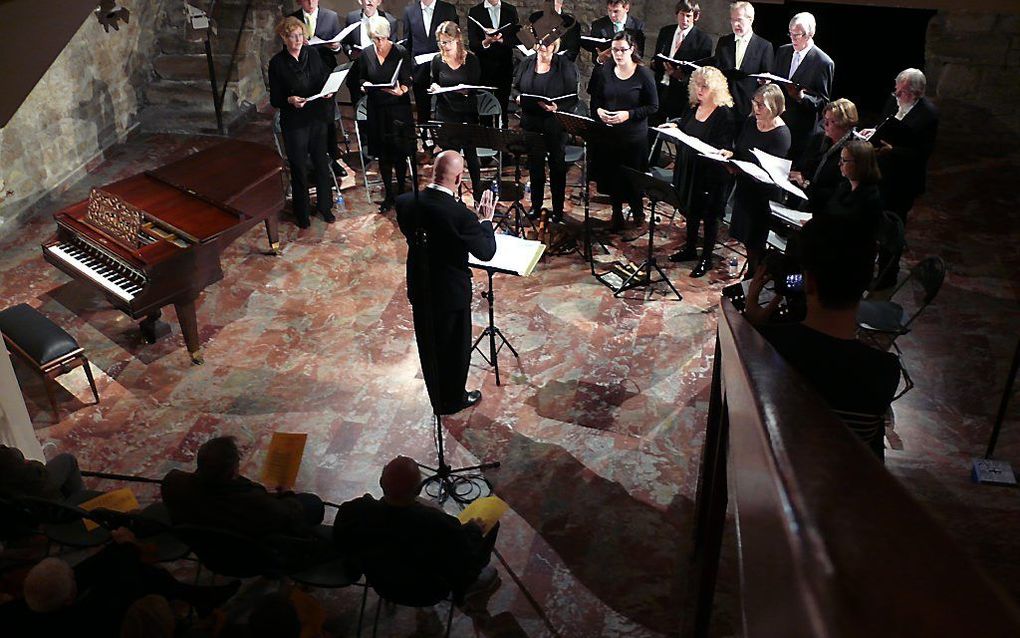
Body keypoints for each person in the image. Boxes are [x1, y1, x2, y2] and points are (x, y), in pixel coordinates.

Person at [742, 216, 901, 460]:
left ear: (809, 281)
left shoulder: (765, 347)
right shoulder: (884, 371)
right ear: (867, 281)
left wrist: (752, 325)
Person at [395, 151, 497, 415]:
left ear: (432, 171)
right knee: (454, 350)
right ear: (460, 177)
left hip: (420, 285)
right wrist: (485, 222)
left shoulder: (405, 202)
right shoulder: (459, 215)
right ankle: (452, 401)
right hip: (450, 292)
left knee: (429, 347)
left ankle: (437, 399)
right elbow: (485, 252)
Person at [333, 456, 500, 604]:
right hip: (429, 593)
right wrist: (474, 530)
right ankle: (475, 584)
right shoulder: (438, 524)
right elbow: (461, 558)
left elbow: (341, 544)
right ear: (419, 489)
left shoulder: (355, 511)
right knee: (490, 526)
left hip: (381, 584)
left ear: (381, 483)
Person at [161, 435, 325, 538]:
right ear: (233, 469)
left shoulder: (173, 482)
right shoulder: (255, 502)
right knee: (312, 503)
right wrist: (287, 494)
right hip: (251, 551)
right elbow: (287, 514)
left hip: (207, 544)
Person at [870, 68, 939, 288]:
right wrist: (872, 133)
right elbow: (883, 126)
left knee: (891, 229)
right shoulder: (893, 102)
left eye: (902, 93)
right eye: (896, 91)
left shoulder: (928, 114)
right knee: (873, 223)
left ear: (916, 94)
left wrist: (893, 150)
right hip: (880, 173)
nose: (897, 96)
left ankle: (887, 276)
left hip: (902, 182)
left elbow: (922, 153)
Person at [664, 66, 735, 278]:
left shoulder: (724, 114)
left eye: (705, 86)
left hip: (711, 173)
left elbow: (723, 146)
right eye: (697, 84)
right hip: (690, 168)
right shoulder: (693, 106)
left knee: (710, 217)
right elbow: (685, 129)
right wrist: (674, 129)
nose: (700, 89)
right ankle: (690, 248)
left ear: (716, 88)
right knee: (691, 210)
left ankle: (706, 257)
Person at [268, 16, 336, 229]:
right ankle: (302, 212)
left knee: (321, 164)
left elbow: (325, 78)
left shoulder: (313, 54)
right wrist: (289, 100)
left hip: (316, 117)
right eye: (293, 36)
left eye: (300, 35)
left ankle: (325, 207)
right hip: (295, 121)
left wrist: (328, 92)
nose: (298, 40)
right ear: (284, 38)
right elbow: (275, 99)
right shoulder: (277, 63)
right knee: (298, 167)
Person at [589, 31, 658, 231]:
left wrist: (628, 114)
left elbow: (653, 106)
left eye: (622, 50)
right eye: (614, 50)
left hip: (633, 137)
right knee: (612, 177)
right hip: (609, 134)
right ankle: (616, 214)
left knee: (632, 180)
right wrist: (599, 110)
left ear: (632, 49)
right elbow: (597, 98)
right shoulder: (607, 69)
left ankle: (638, 217)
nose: (618, 54)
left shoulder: (643, 74)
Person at [724, 83, 790, 274]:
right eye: (755, 102)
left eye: (762, 105)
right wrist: (730, 156)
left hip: (763, 196)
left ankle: (755, 277)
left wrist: (741, 169)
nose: (756, 108)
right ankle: (752, 273)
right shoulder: (751, 122)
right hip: (745, 188)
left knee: (756, 241)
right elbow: (741, 150)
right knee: (744, 237)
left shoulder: (781, 134)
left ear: (774, 107)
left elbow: (772, 171)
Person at [512, 36, 579, 223]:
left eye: (547, 44)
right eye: (540, 43)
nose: (543, 47)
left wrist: (557, 107)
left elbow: (573, 96)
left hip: (555, 123)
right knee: (535, 166)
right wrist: (517, 98)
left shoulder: (564, 65)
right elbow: (515, 88)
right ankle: (535, 205)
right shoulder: (527, 63)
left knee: (557, 167)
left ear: (555, 45)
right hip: (531, 122)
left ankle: (557, 209)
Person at [357, 15, 414, 213]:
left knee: (399, 153)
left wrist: (402, 90)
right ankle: (389, 194)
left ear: (388, 35)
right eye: (375, 39)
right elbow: (361, 78)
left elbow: (408, 79)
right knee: (383, 155)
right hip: (377, 110)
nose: (379, 43)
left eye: (381, 38)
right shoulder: (366, 54)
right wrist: (364, 86)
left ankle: (400, 191)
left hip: (398, 108)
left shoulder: (400, 52)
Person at [290, 0, 347, 179]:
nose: (310, 3)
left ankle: (333, 158)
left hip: (325, 73)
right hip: (302, 75)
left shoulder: (330, 16)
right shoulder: (292, 19)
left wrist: (335, 46)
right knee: (308, 118)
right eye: (306, 0)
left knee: (328, 117)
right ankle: (312, 160)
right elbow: (287, 47)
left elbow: (338, 49)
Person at [429, 21, 484, 200]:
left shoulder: (471, 59)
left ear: (457, 39)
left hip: (466, 111)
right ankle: (448, 197)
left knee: (471, 154)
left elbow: (475, 85)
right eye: (441, 42)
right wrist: (436, 87)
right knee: (449, 157)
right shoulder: (438, 60)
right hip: (445, 112)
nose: (444, 46)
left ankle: (477, 193)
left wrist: (464, 89)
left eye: (447, 42)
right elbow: (434, 80)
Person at [771, 12, 833, 164]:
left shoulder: (823, 62)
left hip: (800, 131)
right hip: (777, 124)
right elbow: (776, 80)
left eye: (797, 35)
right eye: (790, 34)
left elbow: (824, 103)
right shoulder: (783, 51)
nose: (793, 38)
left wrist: (802, 97)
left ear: (810, 34)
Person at [404, 0, 460, 134]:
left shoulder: (448, 9)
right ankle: (425, 140)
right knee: (422, 109)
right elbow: (408, 42)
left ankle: (447, 138)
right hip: (420, 68)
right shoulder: (410, 11)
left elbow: (455, 39)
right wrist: (408, 69)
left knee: (446, 107)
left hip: (444, 67)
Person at [790, 98, 858, 208]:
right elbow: (801, 167)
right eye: (825, 119)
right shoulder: (818, 139)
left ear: (844, 125)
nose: (825, 124)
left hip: (825, 210)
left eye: (831, 121)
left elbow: (838, 192)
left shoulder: (852, 151)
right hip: (799, 200)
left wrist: (805, 183)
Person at [651, 1, 712, 121]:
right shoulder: (666, 31)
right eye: (681, 14)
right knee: (652, 126)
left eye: (688, 16)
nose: (684, 19)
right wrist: (655, 63)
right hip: (659, 88)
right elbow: (656, 56)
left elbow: (700, 73)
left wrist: (680, 76)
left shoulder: (703, 40)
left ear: (696, 16)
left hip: (680, 94)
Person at [713, 2, 773, 119]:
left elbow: (767, 80)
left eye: (739, 20)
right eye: (732, 20)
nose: (735, 24)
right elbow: (716, 71)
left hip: (748, 108)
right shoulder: (723, 42)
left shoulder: (764, 46)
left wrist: (765, 81)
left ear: (750, 20)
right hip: (722, 105)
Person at [467, 0, 519, 127]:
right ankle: (487, 139)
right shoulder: (475, 12)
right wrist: (487, 41)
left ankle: (504, 137)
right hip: (484, 67)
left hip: (504, 66)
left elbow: (516, 38)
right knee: (485, 109)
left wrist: (501, 40)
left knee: (503, 107)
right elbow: (473, 44)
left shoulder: (510, 10)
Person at [816, 140, 883, 236]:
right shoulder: (845, 186)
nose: (839, 164)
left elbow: (847, 230)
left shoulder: (869, 198)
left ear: (860, 164)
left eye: (844, 160)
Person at [342, 0, 399, 102]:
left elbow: (393, 47)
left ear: (379, 1)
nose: (370, 1)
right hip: (357, 73)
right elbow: (346, 42)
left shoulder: (390, 20)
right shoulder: (352, 18)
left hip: (380, 76)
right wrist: (350, 52)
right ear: (360, 1)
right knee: (359, 111)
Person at [0, 444, 85, 502]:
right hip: (36, 496)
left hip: (14, 497)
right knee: (67, 459)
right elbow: (36, 475)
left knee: (16, 452)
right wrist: (32, 463)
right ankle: (84, 504)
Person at [589, 0, 645, 67]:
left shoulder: (638, 26)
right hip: (604, 71)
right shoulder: (598, 25)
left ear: (626, 8)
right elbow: (594, 57)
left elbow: (639, 55)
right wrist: (600, 59)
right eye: (609, 10)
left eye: (616, 11)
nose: (612, 15)